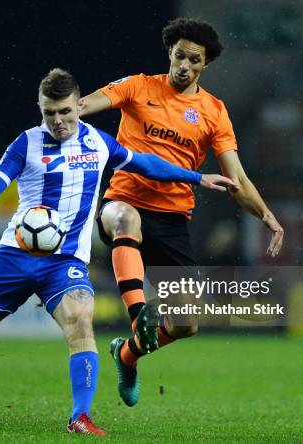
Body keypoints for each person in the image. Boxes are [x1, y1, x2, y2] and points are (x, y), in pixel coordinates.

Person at [0, 68, 236, 435]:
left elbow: (146, 164)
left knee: (81, 321)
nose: (58, 121)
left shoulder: (98, 143)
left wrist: (198, 177)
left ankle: (80, 416)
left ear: (78, 106)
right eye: (49, 113)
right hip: (15, 256)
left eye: (65, 112)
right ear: (40, 110)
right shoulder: (26, 143)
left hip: (65, 262)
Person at [79, 17, 285, 406]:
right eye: (179, 56)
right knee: (126, 220)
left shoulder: (213, 112)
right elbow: (88, 103)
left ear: (204, 64)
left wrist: (266, 216)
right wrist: (64, 111)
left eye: (193, 59)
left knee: (187, 323)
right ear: (169, 54)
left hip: (173, 219)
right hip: (122, 201)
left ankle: (127, 354)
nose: (184, 65)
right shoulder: (138, 86)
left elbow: (235, 177)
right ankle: (140, 315)